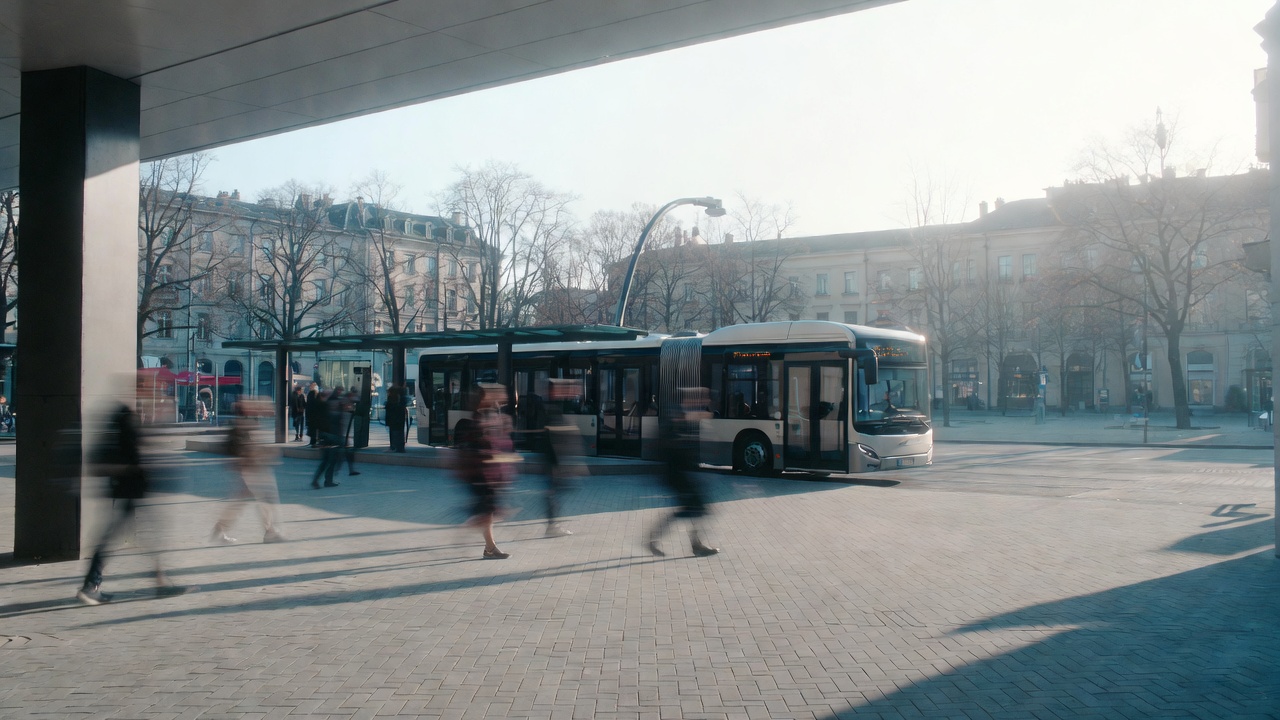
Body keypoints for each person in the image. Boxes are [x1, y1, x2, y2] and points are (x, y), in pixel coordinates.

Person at [77, 388, 186, 604]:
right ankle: (91, 586)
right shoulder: (125, 417)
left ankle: (159, 582)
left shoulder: (127, 416)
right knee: (114, 537)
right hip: (129, 488)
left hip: (130, 488)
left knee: (136, 536)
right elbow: (132, 453)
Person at [647, 387, 719, 558]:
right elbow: (666, 442)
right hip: (675, 473)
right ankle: (692, 544)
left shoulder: (686, 414)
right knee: (693, 508)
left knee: (692, 509)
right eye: (703, 398)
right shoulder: (676, 413)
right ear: (692, 399)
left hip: (684, 473)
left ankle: (656, 540)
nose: (707, 402)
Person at [454, 384, 516, 559]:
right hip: (482, 475)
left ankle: (488, 547)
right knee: (487, 513)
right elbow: (483, 448)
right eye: (493, 396)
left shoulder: (488, 416)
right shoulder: (479, 419)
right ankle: (476, 539)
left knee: (487, 512)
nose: (497, 399)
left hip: (487, 475)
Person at [211, 399, 286, 544]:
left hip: (251, 468)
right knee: (264, 498)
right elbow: (246, 449)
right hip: (250, 469)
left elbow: (251, 446)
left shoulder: (246, 423)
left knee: (243, 501)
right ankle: (269, 532)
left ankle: (220, 529)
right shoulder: (243, 424)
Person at [311, 386, 343, 488]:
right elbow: (327, 420)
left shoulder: (320, 405)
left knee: (328, 460)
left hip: (325, 435)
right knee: (328, 459)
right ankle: (323, 480)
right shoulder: (323, 405)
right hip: (327, 435)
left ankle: (323, 480)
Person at [342, 388, 361, 476]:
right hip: (345, 435)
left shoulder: (348, 402)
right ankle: (351, 469)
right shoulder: (346, 404)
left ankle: (351, 469)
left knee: (348, 452)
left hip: (346, 435)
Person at [385, 383, 408, 452]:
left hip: (394, 421)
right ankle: (399, 447)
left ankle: (394, 447)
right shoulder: (401, 401)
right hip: (399, 421)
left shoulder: (391, 401)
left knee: (394, 433)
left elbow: (389, 412)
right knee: (399, 433)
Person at [305, 382, 322, 447]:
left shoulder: (311, 394)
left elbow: (308, 405)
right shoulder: (316, 394)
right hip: (315, 415)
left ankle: (313, 441)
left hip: (311, 415)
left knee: (312, 429)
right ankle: (314, 441)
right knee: (314, 429)